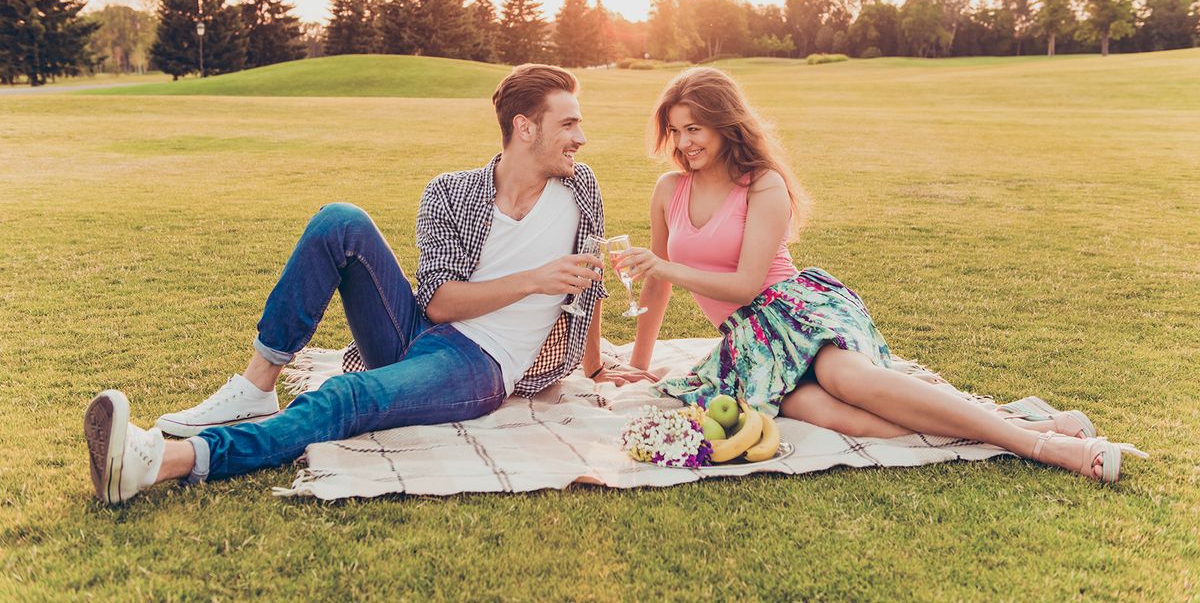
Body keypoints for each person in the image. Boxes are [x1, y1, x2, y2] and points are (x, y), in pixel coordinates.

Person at [83, 63, 656, 505]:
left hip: (480, 366)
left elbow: (590, 288)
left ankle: (159, 462)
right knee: (341, 221)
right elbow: (435, 304)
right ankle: (259, 382)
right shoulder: (451, 192)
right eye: (570, 123)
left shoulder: (580, 189)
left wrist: (596, 366)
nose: (581, 137)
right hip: (421, 332)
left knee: (341, 397)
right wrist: (533, 279)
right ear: (525, 128)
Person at [615, 67, 1146, 483]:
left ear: (725, 125)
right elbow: (657, 284)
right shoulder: (669, 190)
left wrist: (663, 264)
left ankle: (1049, 447)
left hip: (797, 312)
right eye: (676, 131)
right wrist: (640, 363)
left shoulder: (762, 184)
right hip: (750, 343)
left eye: (695, 129)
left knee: (850, 381)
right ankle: (1023, 424)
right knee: (839, 416)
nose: (684, 143)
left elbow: (749, 284)